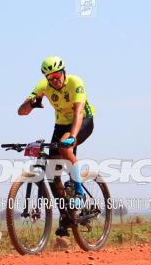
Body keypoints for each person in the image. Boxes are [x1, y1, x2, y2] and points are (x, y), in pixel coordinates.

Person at [17, 55, 95, 237]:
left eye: (57, 75)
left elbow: (78, 112)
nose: (54, 80)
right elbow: (21, 112)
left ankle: (79, 192)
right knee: (53, 174)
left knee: (65, 149)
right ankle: (66, 217)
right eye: (50, 77)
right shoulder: (43, 86)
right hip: (60, 126)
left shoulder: (75, 82)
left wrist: (73, 137)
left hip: (82, 121)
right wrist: (30, 104)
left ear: (63, 72)